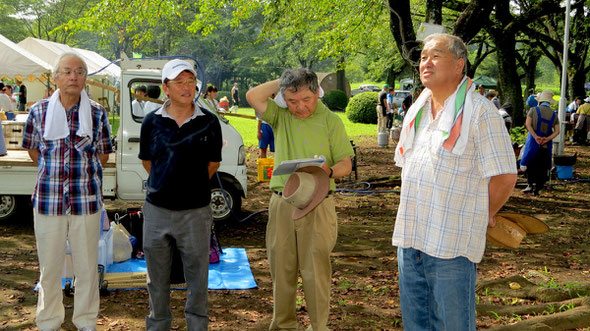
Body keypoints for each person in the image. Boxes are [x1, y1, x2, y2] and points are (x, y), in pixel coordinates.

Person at [393, 33, 517, 330]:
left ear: (459, 64)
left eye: (435, 55)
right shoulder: (417, 110)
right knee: (416, 324)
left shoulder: (480, 112)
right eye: (423, 57)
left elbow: (504, 174)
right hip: (411, 238)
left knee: (453, 325)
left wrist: (484, 213)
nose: (426, 62)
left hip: (452, 244)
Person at [246, 68, 354, 331]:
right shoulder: (280, 116)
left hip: (318, 203)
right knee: (281, 268)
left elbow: (345, 164)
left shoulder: (330, 120)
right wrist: (284, 82)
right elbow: (253, 96)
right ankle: (283, 325)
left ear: (318, 92)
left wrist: (328, 170)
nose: (300, 107)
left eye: (306, 99)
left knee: (316, 270)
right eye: (292, 101)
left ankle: (319, 327)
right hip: (283, 202)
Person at [22, 52, 114, 331]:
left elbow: (103, 155)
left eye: (79, 71)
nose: (73, 76)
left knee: (86, 268)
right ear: (56, 77)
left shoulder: (97, 112)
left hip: (85, 202)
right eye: (67, 71)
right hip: (48, 202)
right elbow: (33, 150)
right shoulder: (38, 110)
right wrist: (54, 172)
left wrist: (80, 174)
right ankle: (49, 321)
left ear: (86, 77)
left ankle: (86, 321)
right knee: (49, 269)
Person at [139, 59, 222, 331]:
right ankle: (158, 324)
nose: (187, 88)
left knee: (198, 276)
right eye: (179, 82)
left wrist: (190, 185)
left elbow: (213, 164)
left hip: (196, 212)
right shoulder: (151, 121)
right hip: (156, 210)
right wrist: (167, 183)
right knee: (157, 278)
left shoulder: (209, 122)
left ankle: (197, 326)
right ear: (166, 88)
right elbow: (148, 161)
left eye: (190, 82)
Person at [520, 90, 560, 195]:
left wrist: (536, 137)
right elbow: (557, 131)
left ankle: (529, 185)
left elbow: (528, 125)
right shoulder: (554, 115)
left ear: (540, 101)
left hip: (533, 142)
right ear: (549, 102)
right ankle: (537, 188)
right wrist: (547, 139)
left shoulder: (533, 110)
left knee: (531, 163)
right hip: (546, 144)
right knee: (542, 166)